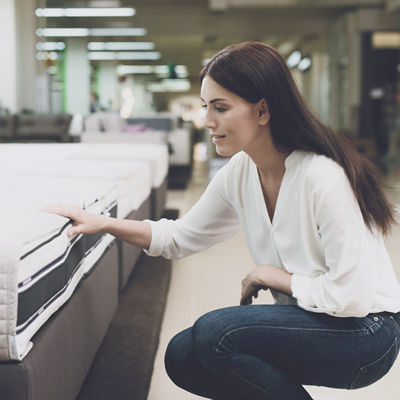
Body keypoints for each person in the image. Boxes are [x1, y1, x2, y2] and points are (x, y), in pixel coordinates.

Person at [43, 41, 400, 400]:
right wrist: (103, 222)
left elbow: (351, 298)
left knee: (217, 333)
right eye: (205, 107)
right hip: (318, 320)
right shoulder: (241, 172)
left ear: (262, 111)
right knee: (183, 356)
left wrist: (274, 276)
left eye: (220, 108)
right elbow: (180, 237)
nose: (207, 121)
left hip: (368, 334)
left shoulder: (323, 176)